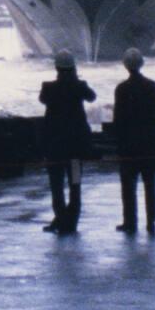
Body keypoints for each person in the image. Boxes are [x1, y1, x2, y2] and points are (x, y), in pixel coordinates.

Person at [39, 49, 96, 234]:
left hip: (54, 147)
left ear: (56, 68)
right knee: (75, 185)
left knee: (56, 186)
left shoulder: (48, 87)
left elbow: (43, 100)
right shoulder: (80, 86)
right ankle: (72, 222)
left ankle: (60, 219)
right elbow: (92, 96)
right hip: (76, 148)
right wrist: (77, 80)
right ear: (73, 67)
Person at [114, 48, 155, 235]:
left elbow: (118, 119)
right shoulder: (153, 86)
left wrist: (119, 140)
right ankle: (152, 221)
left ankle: (130, 221)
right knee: (150, 184)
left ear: (125, 65)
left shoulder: (122, 89)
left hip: (129, 145)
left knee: (128, 187)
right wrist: (154, 129)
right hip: (149, 143)